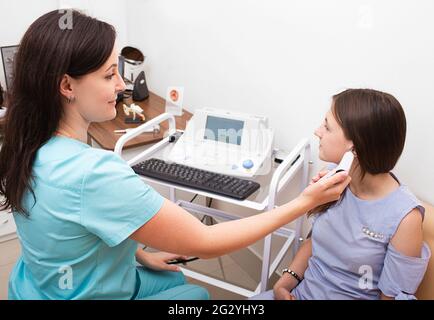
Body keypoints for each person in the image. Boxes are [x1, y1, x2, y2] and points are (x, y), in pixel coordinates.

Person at [0, 10, 350, 300]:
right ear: (67, 86)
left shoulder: (27, 143)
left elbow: (74, 227)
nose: (122, 85)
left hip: (37, 285)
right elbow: (207, 242)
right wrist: (303, 203)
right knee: (196, 297)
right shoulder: (95, 172)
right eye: (109, 75)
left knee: (173, 280)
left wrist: (139, 254)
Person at [251, 88, 431, 300]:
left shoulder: (404, 217)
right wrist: (285, 282)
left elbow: (391, 297)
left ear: (355, 146)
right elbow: (315, 241)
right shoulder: (331, 178)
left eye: (327, 127)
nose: (317, 131)